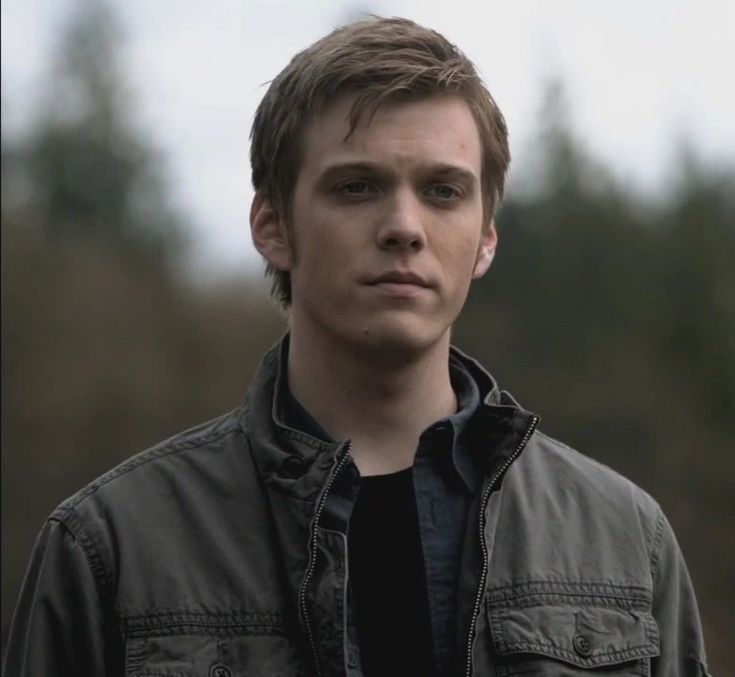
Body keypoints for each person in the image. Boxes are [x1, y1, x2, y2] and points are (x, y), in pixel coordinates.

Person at [5, 16, 709, 677]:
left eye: (442, 191)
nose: (404, 226)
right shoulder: (111, 548)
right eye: (356, 187)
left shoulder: (621, 542)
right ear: (272, 225)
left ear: (486, 238)